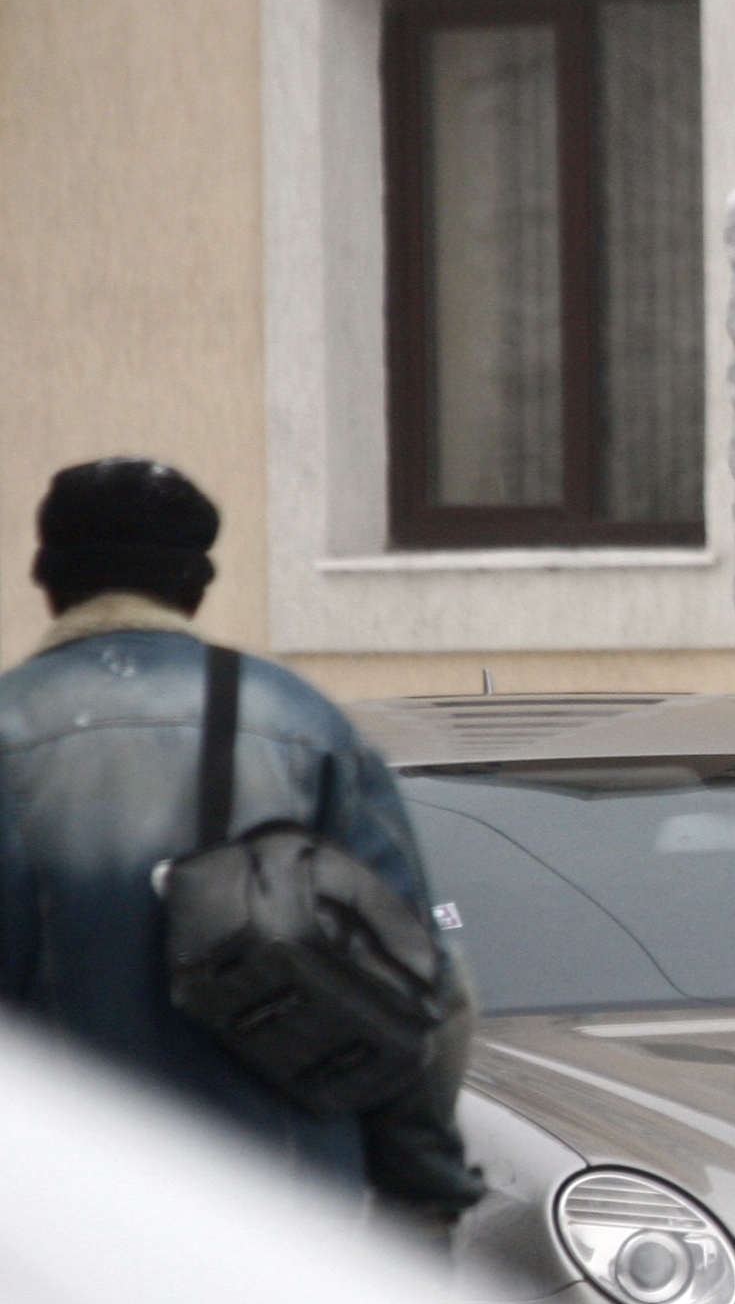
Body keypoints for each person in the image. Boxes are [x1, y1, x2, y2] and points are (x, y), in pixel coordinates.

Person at [0, 458, 477, 1228]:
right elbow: (427, 989)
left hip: (59, 1232)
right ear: (193, 585)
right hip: (281, 1218)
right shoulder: (305, 727)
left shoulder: (10, 729)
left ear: (49, 579)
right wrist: (423, 1189)